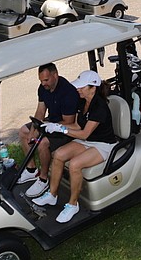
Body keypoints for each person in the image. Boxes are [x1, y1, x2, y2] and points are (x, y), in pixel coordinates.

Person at [32, 70, 117, 224]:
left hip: (103, 145)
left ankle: (73, 204)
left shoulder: (99, 106)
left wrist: (63, 130)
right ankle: (52, 195)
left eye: (82, 87)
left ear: (93, 87)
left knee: (75, 165)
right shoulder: (83, 102)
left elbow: (84, 134)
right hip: (89, 141)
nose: (78, 89)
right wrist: (56, 125)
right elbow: (78, 124)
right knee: (58, 154)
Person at [17, 63, 79, 198]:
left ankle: (43, 179)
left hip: (65, 129)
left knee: (43, 143)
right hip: (49, 122)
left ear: (55, 75)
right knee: (23, 131)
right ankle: (32, 169)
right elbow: (40, 110)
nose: (43, 83)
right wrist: (34, 129)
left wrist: (47, 127)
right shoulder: (43, 88)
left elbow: (68, 122)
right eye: (41, 80)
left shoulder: (68, 92)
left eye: (46, 80)